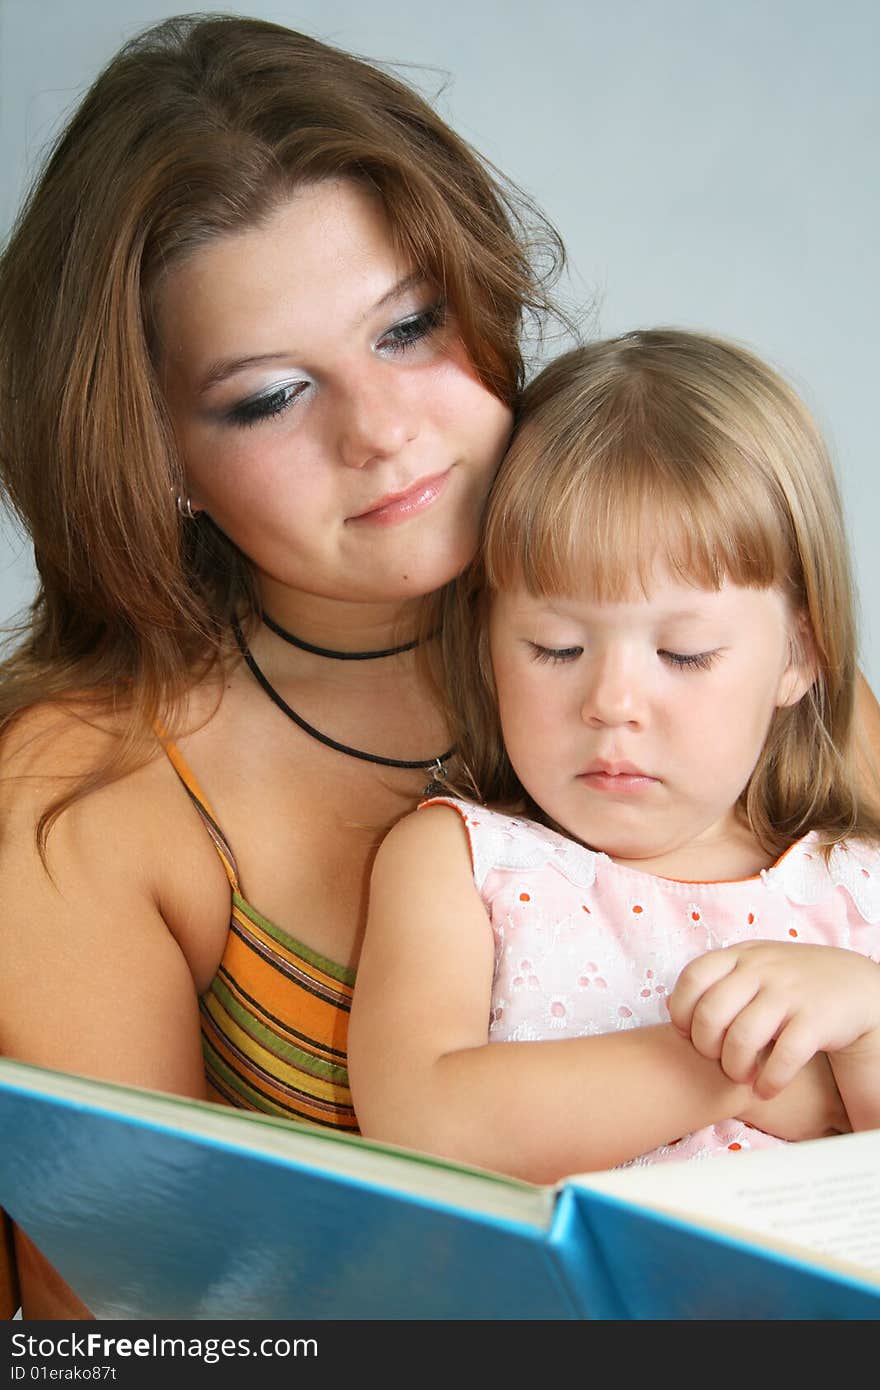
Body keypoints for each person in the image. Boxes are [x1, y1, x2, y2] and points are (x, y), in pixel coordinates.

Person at [0, 14, 878, 1317]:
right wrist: (781, 1075)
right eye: (269, 396)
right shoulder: (84, 792)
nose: (386, 431)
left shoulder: (699, 629)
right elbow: (117, 1335)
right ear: (154, 454)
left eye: (410, 327)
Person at [348, 329, 880, 1184]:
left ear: (799, 657)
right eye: (556, 647)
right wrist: (734, 1069)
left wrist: (866, 1031)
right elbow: (421, 1123)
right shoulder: (465, 862)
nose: (613, 704)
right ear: (487, 637)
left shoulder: (857, 888)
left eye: (685, 654)